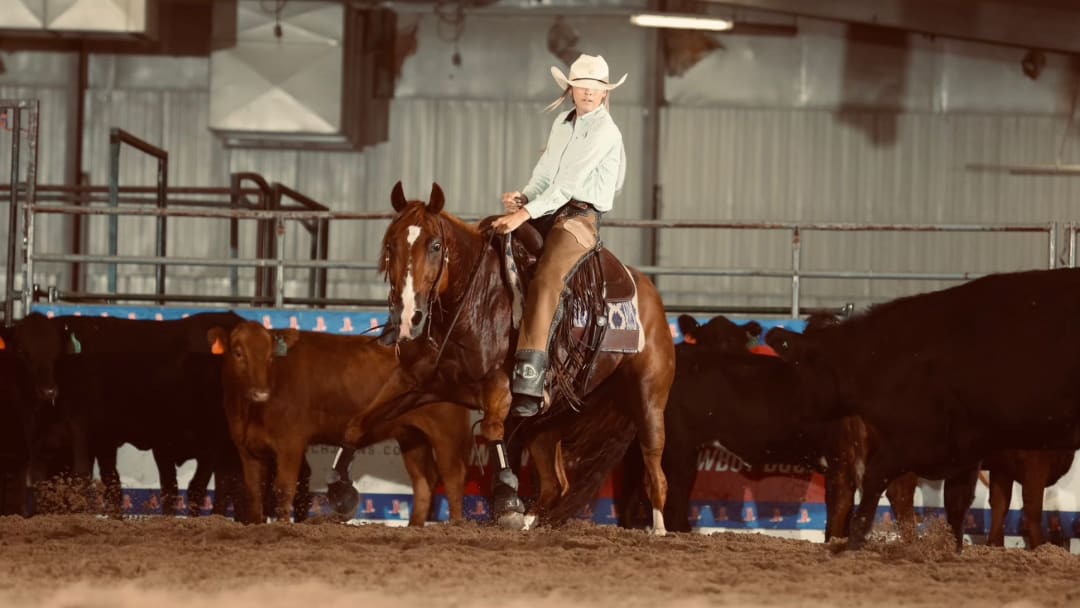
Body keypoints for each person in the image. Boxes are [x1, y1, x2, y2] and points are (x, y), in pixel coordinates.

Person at [491, 53, 627, 417]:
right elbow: (545, 175)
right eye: (582, 86)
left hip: (579, 220)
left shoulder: (605, 132)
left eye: (596, 88)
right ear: (571, 89)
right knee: (492, 240)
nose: (588, 93)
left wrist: (524, 213)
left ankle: (531, 378)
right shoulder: (562, 124)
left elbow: (567, 186)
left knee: (548, 279)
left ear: (604, 94)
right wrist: (524, 196)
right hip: (550, 210)